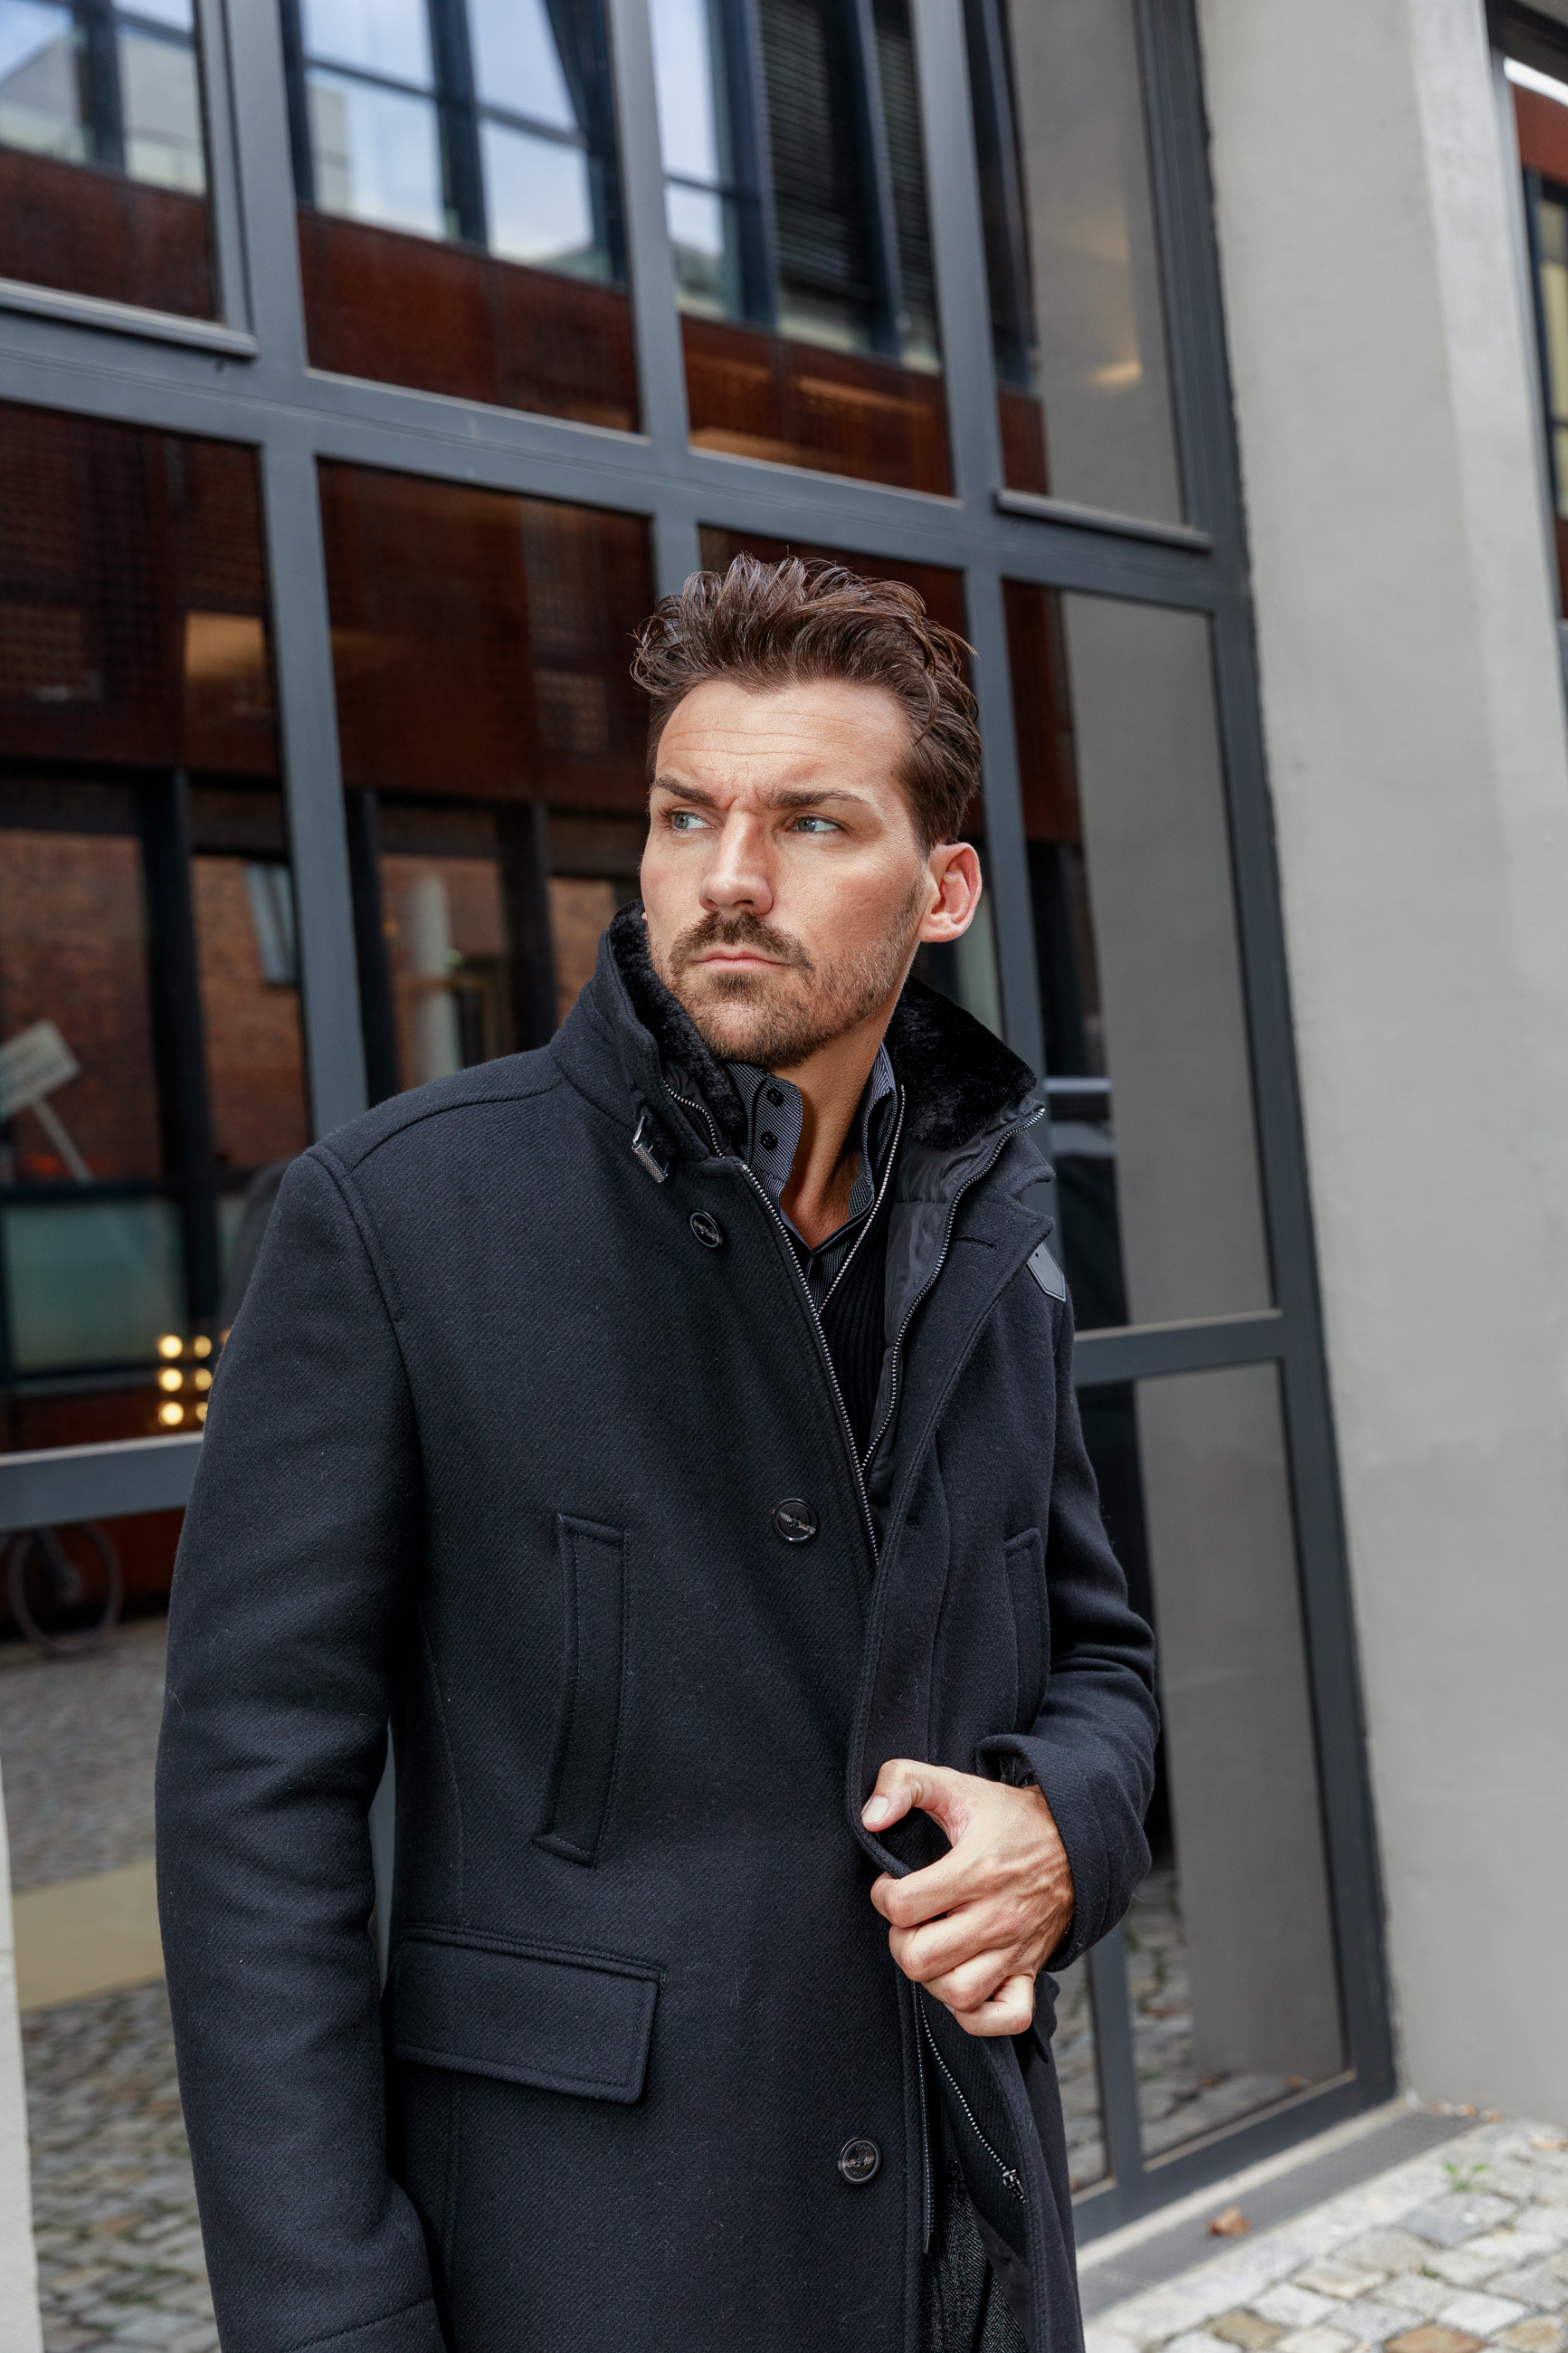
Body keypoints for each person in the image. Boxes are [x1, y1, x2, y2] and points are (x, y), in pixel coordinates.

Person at [156, 557, 1157, 2353]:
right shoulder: (389, 1220)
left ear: (943, 890)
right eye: (686, 815)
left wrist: (1062, 1827)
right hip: (592, 2260)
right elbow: (253, 1804)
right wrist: (329, 2324)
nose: (728, 876)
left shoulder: (991, 1237)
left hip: (963, 2243)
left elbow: (1098, 1652)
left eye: (809, 822)